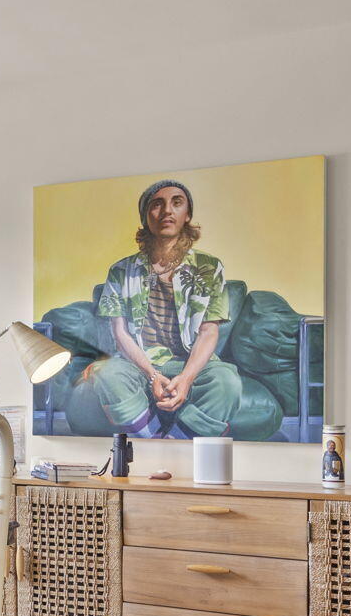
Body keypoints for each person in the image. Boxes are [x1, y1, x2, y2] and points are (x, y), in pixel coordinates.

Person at [75, 179, 242, 438]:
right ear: (146, 217)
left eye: (177, 203)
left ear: (187, 214)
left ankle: (176, 439)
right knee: (107, 373)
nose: (167, 211)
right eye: (157, 204)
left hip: (190, 362)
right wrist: (152, 375)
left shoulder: (209, 267)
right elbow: (120, 334)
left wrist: (186, 379)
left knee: (227, 382)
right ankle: (153, 438)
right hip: (139, 364)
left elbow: (209, 331)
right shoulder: (120, 271)